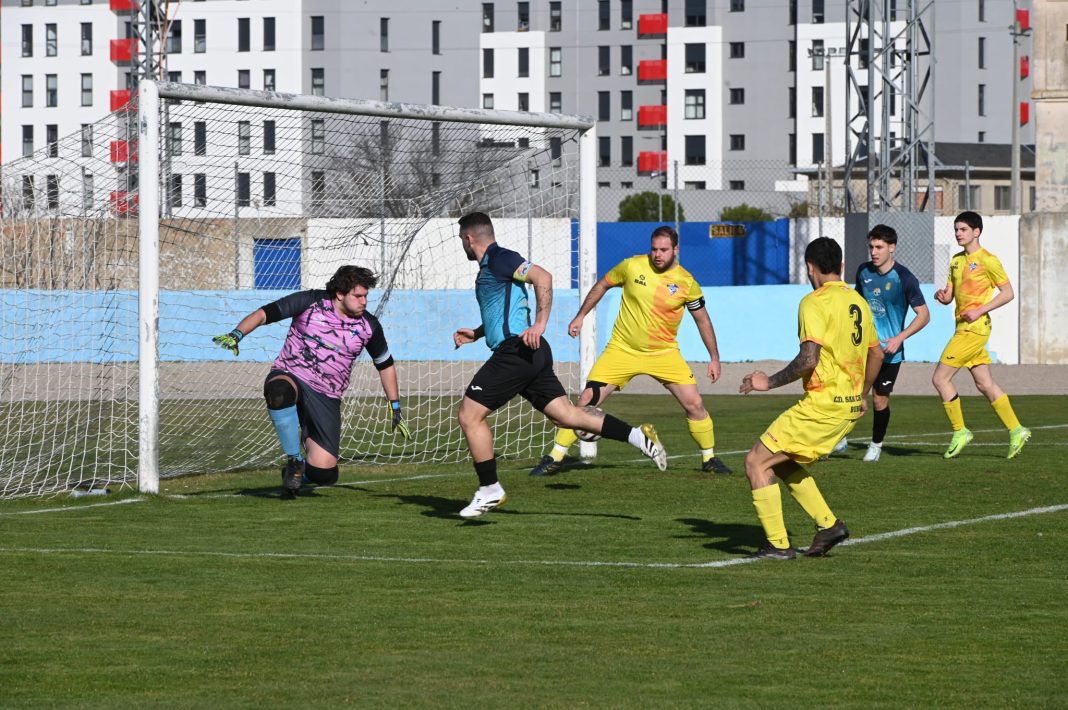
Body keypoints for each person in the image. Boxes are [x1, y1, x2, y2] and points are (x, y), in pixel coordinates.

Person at [452, 212, 667, 518]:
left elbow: (543, 277)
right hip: (529, 353)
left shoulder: (501, 258)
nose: (462, 244)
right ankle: (638, 438)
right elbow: (504, 312)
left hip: (517, 351)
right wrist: (477, 332)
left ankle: (490, 488)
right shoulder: (490, 267)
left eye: (462, 240)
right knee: (567, 416)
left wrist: (540, 324)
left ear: (468, 238)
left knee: (469, 415)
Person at [530, 225, 732, 477]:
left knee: (695, 404)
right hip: (621, 350)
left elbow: (703, 320)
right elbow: (602, 284)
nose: (657, 254)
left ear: (676, 250)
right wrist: (580, 316)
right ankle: (555, 457)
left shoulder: (687, 283)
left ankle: (709, 459)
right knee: (585, 402)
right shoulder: (631, 266)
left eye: (664, 250)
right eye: (654, 249)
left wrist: (714, 357)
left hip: (664, 353)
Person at [212, 265, 411, 499]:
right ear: (339, 293)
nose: (364, 301)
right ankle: (295, 460)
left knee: (325, 474)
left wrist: (395, 405)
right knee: (278, 391)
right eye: (358, 296)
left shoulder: (369, 326)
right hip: (292, 374)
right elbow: (264, 314)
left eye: (366, 295)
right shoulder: (310, 301)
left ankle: (297, 472)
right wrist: (237, 334)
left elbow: (385, 364)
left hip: (327, 395)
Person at [739, 237, 883, 559]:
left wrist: (768, 382)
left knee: (756, 462)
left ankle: (778, 545)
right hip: (845, 409)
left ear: (809, 268)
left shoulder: (814, 301)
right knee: (785, 463)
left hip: (822, 406)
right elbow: (877, 353)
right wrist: (861, 394)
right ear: (842, 267)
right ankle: (829, 525)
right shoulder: (857, 301)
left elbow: (808, 359)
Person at [932, 211, 1031, 459]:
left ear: (976, 232)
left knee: (940, 379)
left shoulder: (988, 260)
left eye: (963, 229)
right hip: (962, 326)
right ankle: (1017, 429)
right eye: (956, 229)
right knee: (984, 384)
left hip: (974, 329)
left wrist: (980, 310)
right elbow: (950, 295)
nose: (958, 234)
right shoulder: (956, 260)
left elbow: (1008, 293)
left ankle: (960, 431)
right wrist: (943, 298)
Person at [842, 224, 930, 462]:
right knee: (849, 392)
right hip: (864, 348)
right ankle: (839, 438)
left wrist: (899, 338)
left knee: (879, 398)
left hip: (891, 352)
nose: (874, 251)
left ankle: (876, 445)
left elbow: (924, 315)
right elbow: (857, 305)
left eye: (879, 247)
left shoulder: (904, 278)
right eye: (871, 246)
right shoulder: (863, 272)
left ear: (892, 248)